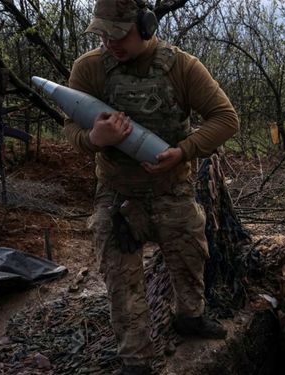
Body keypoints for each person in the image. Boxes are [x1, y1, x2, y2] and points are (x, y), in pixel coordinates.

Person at [63, 0, 238, 373]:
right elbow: (71, 128)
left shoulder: (182, 67)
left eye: (119, 33)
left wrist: (184, 151)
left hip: (171, 189)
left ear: (145, 25)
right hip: (117, 195)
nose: (110, 42)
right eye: (103, 34)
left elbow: (225, 118)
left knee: (190, 259)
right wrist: (95, 137)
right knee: (123, 284)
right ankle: (136, 359)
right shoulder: (89, 69)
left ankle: (190, 318)